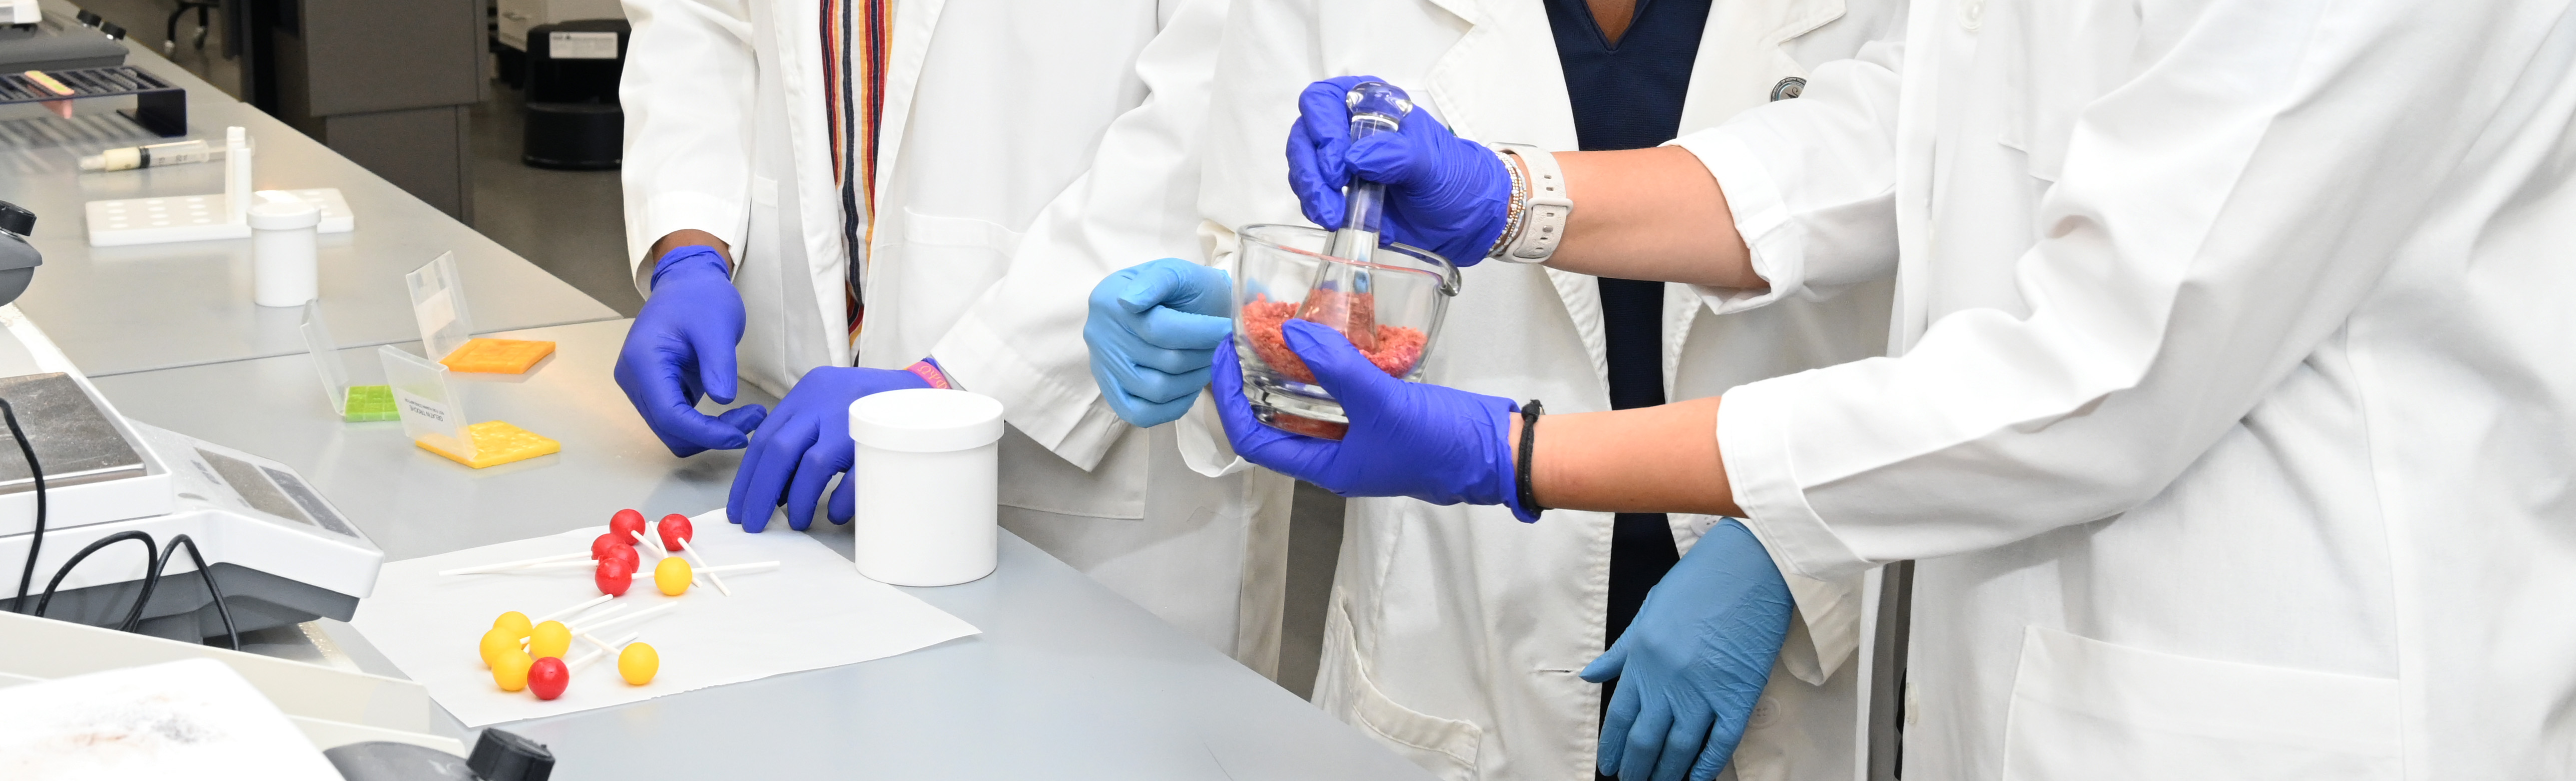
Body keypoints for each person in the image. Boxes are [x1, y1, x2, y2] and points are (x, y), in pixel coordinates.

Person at [1200, 1, 2576, 778]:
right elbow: (1912, 130)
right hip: (2017, 669)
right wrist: (1517, 196)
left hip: (2278, 694)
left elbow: (2099, 378)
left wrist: (1517, 454)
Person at [1078, 0, 1899, 778]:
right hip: (1451, 641)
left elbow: (1949, 351)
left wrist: (1793, 551)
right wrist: (1239, 326)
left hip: (1784, 636)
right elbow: (1281, 258)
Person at [614, 0, 1300, 672]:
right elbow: (694, 19)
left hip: (1093, 489)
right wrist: (689, 242)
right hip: (794, 401)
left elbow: (1214, 112)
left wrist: (960, 378)